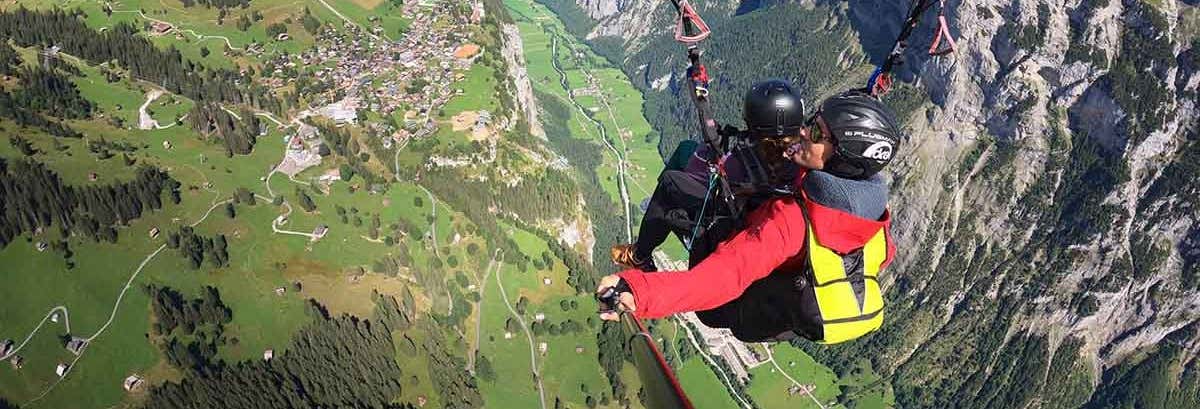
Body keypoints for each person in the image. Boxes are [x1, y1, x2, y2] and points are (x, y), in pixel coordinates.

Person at [598, 90, 902, 344]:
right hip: (777, 320)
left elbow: (721, 277)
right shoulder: (874, 224)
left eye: (818, 132)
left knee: (673, 186)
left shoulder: (790, 223)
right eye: (812, 122)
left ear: (844, 159)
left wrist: (635, 291)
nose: (806, 131)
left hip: (726, 307)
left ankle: (640, 257)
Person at [610, 79, 804, 272]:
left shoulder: (762, 155)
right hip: (733, 191)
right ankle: (660, 208)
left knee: (670, 182)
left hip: (723, 207)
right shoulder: (794, 151)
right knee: (686, 148)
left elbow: (735, 177)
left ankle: (639, 255)